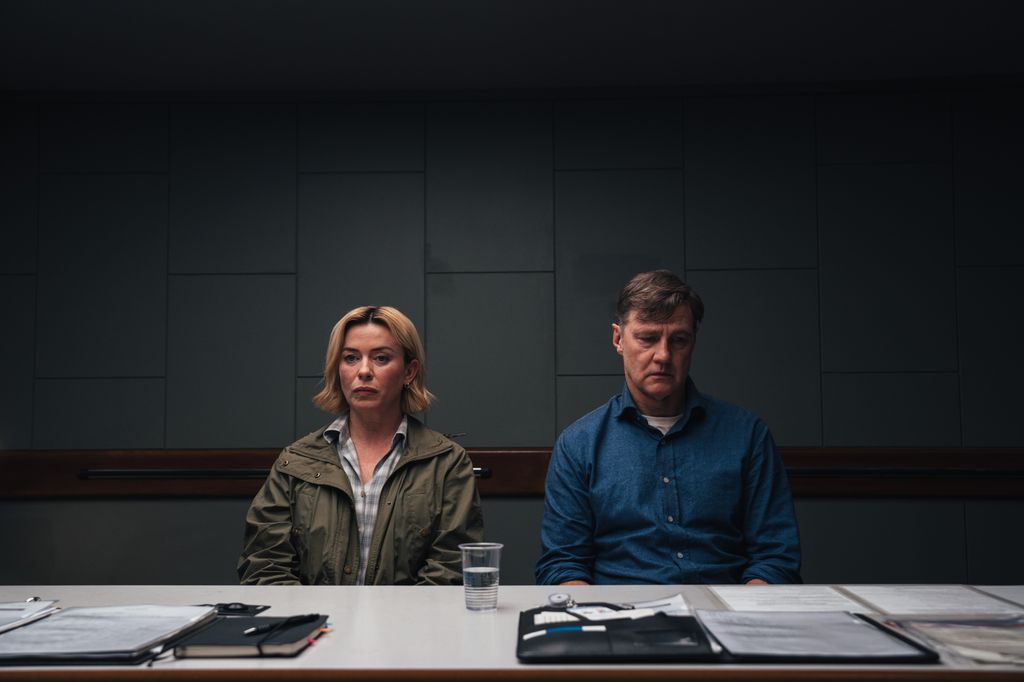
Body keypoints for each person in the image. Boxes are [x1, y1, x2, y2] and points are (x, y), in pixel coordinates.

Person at [536, 270, 800, 585]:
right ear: (619, 339)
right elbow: (563, 565)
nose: (663, 355)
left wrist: (740, 619)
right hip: (619, 619)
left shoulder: (748, 436)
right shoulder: (578, 445)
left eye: (678, 340)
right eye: (647, 338)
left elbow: (775, 557)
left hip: (723, 615)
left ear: (693, 343)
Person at [238, 305, 484, 585]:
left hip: (410, 626)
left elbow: (450, 569)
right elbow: (265, 566)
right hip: (316, 627)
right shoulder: (294, 462)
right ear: (337, 368)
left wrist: (398, 625)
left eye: (381, 358)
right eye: (351, 358)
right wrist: (316, 624)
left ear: (409, 371)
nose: (364, 371)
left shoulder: (447, 464)